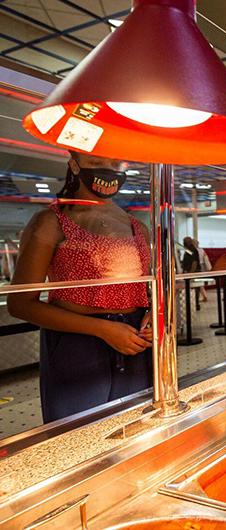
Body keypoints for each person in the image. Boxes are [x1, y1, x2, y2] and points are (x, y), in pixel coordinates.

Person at [8, 151, 152, 423]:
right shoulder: (50, 222)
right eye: (96, 163)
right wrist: (104, 329)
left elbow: (147, 289)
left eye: (115, 162)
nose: (108, 170)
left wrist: (154, 315)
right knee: (79, 431)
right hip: (77, 343)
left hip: (134, 340)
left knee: (137, 424)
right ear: (74, 165)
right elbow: (20, 303)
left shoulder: (137, 226)